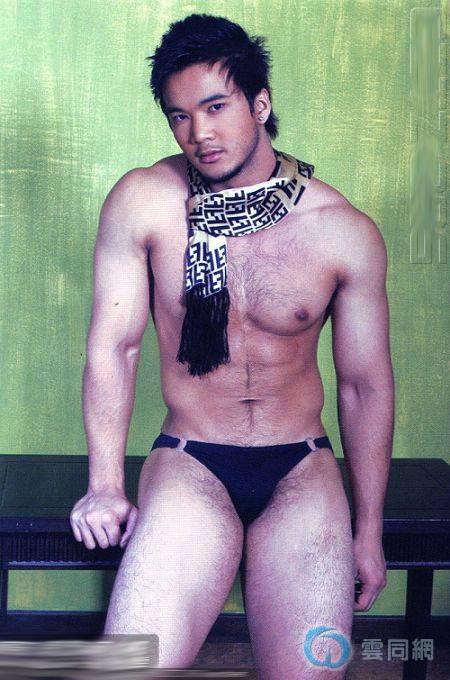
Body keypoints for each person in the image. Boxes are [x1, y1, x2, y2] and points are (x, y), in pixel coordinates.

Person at [70, 13, 395, 677]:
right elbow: (115, 347)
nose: (200, 133)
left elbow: (364, 386)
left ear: (260, 103)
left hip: (300, 469)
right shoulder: (144, 201)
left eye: (216, 107)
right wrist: (104, 486)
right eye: (180, 116)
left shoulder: (342, 230)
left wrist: (369, 531)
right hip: (191, 461)